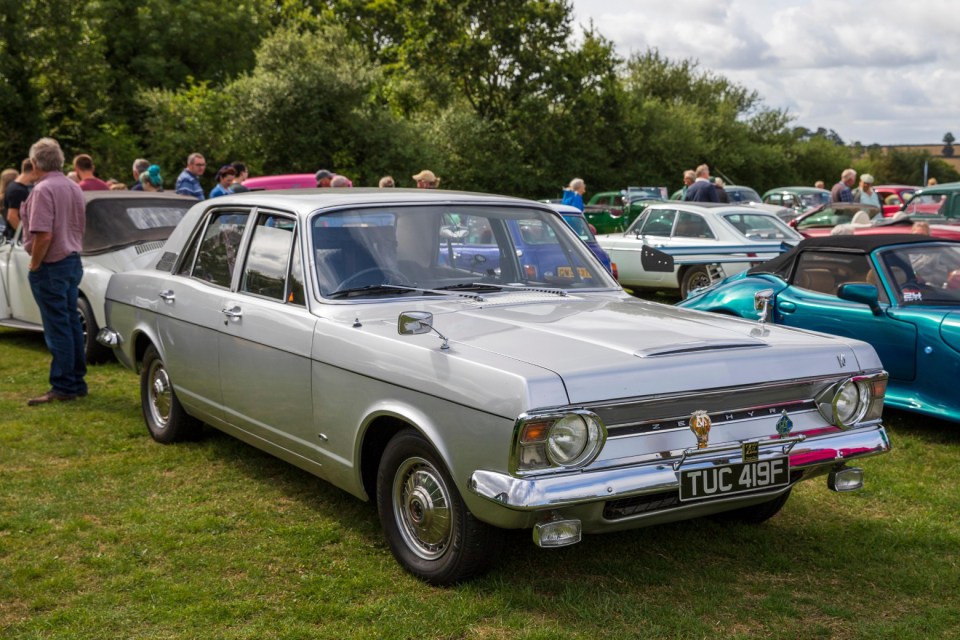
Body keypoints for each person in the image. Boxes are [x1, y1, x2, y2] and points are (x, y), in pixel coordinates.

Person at [19, 137, 88, 405]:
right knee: (70, 322)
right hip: (72, 260)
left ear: (35, 163)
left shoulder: (43, 190)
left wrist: (35, 264)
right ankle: (75, 381)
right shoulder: (73, 187)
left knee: (58, 326)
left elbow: (43, 235)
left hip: (52, 263)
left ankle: (64, 386)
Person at [3, 158, 34, 238]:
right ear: (34, 169)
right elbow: (12, 216)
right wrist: (26, 236)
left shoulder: (16, 187)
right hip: (15, 239)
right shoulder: (17, 190)